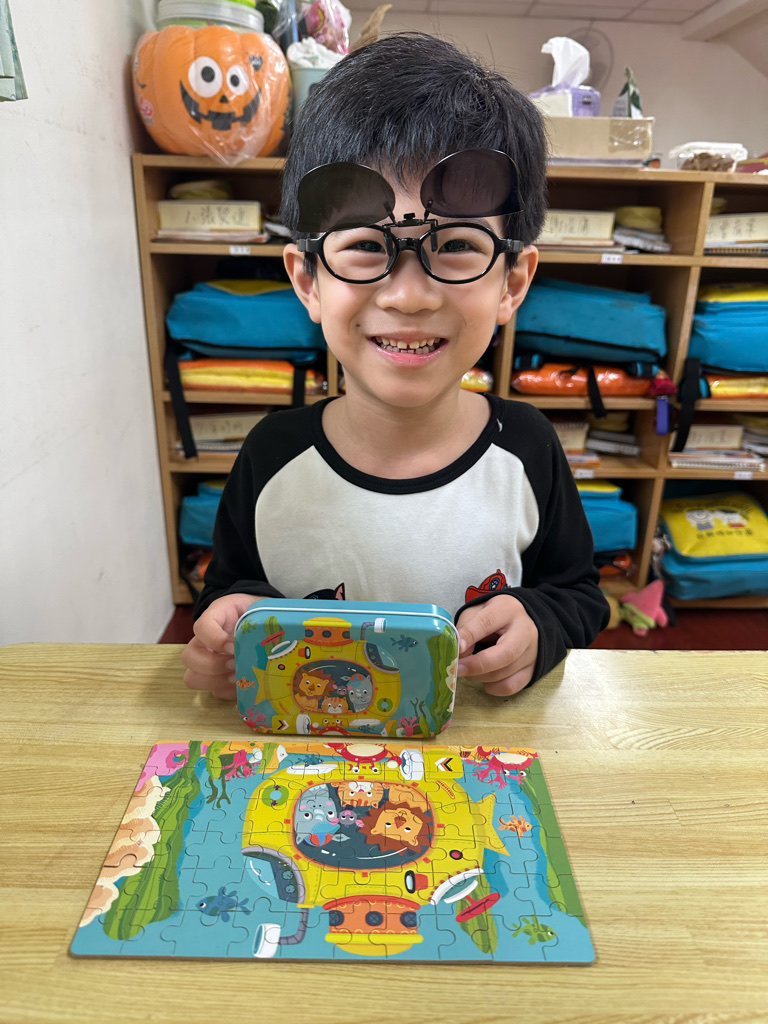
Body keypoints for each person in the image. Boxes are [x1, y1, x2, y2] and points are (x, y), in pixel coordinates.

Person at [181, 32, 609, 702]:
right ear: (308, 280)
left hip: (475, 751)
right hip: (309, 744)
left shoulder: (527, 449)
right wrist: (226, 631)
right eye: (363, 246)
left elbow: (578, 594)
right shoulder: (271, 455)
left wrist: (539, 623)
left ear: (513, 281)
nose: (409, 296)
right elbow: (231, 590)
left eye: (459, 244)